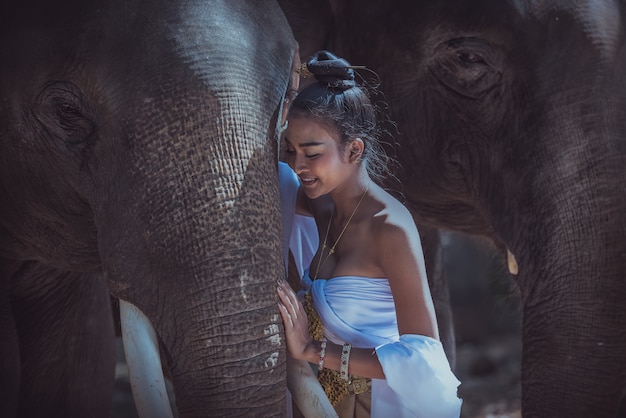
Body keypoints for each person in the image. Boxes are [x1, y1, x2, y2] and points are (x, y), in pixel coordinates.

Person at [276, 50, 462, 418]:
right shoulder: (322, 205)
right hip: (323, 405)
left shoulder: (390, 229)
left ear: (354, 148)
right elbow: (272, 180)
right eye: (291, 149)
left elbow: (422, 358)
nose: (298, 165)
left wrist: (312, 350)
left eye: (312, 153)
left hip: (384, 408)